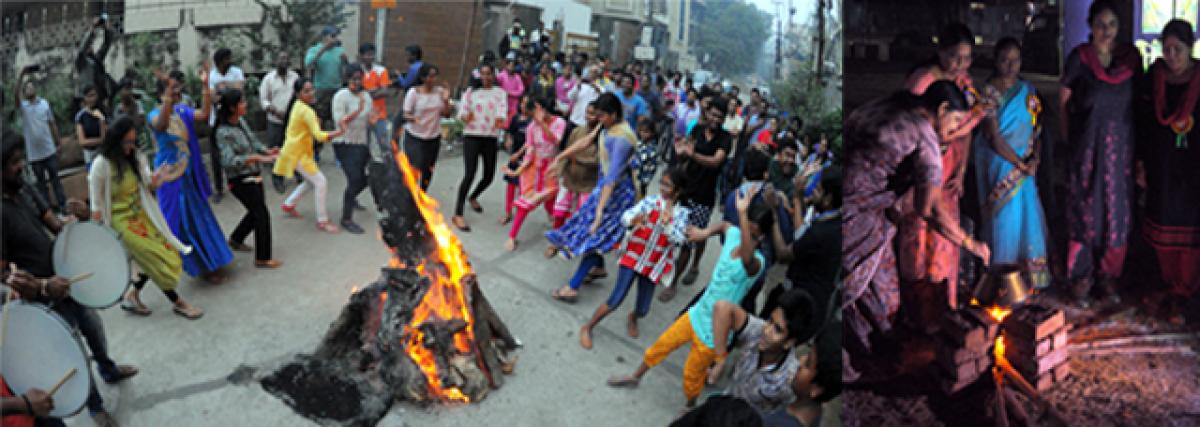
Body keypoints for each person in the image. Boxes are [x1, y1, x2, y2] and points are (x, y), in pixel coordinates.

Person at [842, 82, 990, 381]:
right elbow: (930, 209)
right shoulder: (924, 134)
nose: (953, 129)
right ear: (942, 110)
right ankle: (845, 362)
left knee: (873, 288)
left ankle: (876, 346)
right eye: (954, 121)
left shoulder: (888, 105)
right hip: (858, 213)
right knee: (847, 287)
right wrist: (972, 244)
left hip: (854, 204)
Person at [3, 134, 135, 427]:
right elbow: (4, 274)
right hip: (40, 298)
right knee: (73, 351)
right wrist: (41, 286)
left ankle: (109, 370)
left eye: (20, 158)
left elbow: (55, 224)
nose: (22, 166)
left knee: (94, 328)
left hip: (65, 278)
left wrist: (79, 220)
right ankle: (95, 407)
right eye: (13, 163)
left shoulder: (25, 190)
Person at [606, 188, 773, 408]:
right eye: (745, 227)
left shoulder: (757, 262)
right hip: (697, 312)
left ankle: (690, 406)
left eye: (751, 233)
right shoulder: (733, 234)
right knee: (660, 346)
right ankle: (635, 376)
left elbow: (746, 257)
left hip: (715, 331)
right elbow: (724, 226)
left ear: (761, 236)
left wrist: (742, 214)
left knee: (691, 378)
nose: (744, 234)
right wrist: (705, 233)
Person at [901, 23, 985, 320]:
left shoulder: (965, 84)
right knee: (919, 234)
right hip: (923, 169)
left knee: (944, 242)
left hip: (950, 173)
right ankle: (916, 310)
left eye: (966, 58)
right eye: (954, 57)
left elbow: (967, 131)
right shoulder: (922, 82)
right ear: (940, 52)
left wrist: (961, 172)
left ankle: (942, 308)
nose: (960, 65)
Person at [1059, 0, 1141, 307]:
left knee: (1116, 216)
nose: (1106, 31)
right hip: (1087, 150)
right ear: (1090, 26)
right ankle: (1081, 277)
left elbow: (1138, 105)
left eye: (1112, 25)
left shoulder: (1130, 61)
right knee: (1084, 213)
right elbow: (1064, 104)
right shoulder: (1079, 59)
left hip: (1120, 153)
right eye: (1100, 24)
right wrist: (1068, 143)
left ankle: (1109, 278)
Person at [89, 117, 204, 318]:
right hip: (118, 222)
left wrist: (160, 178)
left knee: (160, 251)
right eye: (126, 142)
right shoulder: (101, 165)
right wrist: (99, 237)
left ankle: (132, 296)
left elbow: (148, 184)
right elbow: (96, 206)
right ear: (115, 141)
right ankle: (178, 302)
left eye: (133, 141)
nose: (130, 146)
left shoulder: (136, 157)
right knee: (151, 256)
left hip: (140, 216)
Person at [579, 167, 691, 349]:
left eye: (667, 185)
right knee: (616, 298)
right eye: (662, 183)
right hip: (634, 255)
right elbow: (626, 217)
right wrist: (633, 219)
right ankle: (588, 326)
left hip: (654, 264)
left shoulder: (682, 215)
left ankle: (633, 317)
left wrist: (668, 226)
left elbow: (679, 240)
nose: (662, 188)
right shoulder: (650, 202)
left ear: (678, 191)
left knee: (644, 309)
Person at [546, 93, 639, 301]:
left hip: (616, 195)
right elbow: (588, 141)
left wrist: (599, 212)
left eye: (602, 116)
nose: (598, 120)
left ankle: (572, 287)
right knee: (595, 235)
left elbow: (612, 179)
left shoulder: (622, 139)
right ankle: (597, 268)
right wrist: (560, 156)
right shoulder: (607, 126)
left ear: (614, 114)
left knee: (594, 236)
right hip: (604, 189)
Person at [1137, 19, 1200, 324]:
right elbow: (1144, 123)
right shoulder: (1155, 77)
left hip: (1192, 169)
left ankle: (1184, 293)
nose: (1172, 55)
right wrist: (1140, 163)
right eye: (1167, 48)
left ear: (1191, 48)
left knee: (1189, 231)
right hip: (1160, 165)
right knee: (1161, 223)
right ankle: (1166, 285)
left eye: (1178, 49)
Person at [976, 37, 1050, 290]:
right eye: (1005, 60)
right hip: (1002, 164)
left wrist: (1035, 158)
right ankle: (1002, 284)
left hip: (1026, 164)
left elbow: (1036, 128)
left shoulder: (1027, 90)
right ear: (995, 61)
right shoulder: (988, 93)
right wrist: (1020, 163)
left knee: (1027, 217)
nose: (1010, 65)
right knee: (1005, 220)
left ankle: (1028, 280)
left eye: (1015, 60)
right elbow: (994, 137)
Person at [148, 68, 233, 283]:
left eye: (177, 89)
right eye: (172, 90)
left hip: (186, 174)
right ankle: (161, 269)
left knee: (196, 220)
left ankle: (207, 265)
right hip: (168, 177)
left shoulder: (182, 111)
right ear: (163, 94)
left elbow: (203, 115)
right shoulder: (155, 114)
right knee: (176, 223)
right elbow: (162, 125)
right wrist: (168, 97)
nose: (178, 93)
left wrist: (205, 86)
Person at [706, 289, 821, 414]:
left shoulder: (788, 380)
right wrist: (720, 360)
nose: (766, 331)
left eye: (777, 330)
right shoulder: (757, 331)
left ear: (789, 342)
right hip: (724, 405)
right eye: (770, 320)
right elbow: (722, 308)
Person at [664, 100, 730, 298]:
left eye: (719, 117)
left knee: (692, 237)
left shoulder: (725, 139)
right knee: (678, 231)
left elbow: (716, 161)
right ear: (706, 113)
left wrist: (692, 155)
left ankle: (676, 280)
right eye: (712, 114)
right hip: (687, 189)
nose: (715, 119)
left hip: (705, 195)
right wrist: (680, 155)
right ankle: (686, 267)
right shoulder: (697, 130)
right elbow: (685, 153)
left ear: (723, 119)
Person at [215, 90, 282, 267]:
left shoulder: (240, 122)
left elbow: (253, 142)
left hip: (253, 173)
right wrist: (257, 158)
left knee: (255, 211)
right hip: (239, 179)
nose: (245, 105)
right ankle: (263, 257)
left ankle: (236, 239)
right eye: (242, 102)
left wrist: (267, 151)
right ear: (232, 107)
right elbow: (229, 162)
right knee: (261, 213)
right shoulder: (223, 132)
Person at [274, 78, 350, 233]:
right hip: (298, 154)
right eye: (306, 91)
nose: (311, 93)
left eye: (312, 89)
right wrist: (340, 131)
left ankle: (289, 204)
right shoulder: (306, 110)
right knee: (321, 182)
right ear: (298, 94)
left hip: (297, 152)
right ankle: (322, 221)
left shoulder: (298, 106)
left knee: (311, 181)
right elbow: (319, 136)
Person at [505, 97, 565, 251]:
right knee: (525, 204)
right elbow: (530, 152)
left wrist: (543, 124)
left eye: (534, 112)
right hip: (535, 170)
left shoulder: (560, 123)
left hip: (552, 170)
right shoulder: (532, 127)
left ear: (542, 108)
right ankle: (512, 236)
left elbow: (556, 142)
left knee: (552, 204)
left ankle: (558, 233)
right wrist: (517, 171)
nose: (534, 117)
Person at [453, 63, 508, 232]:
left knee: (489, 175)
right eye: (483, 74)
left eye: (489, 74)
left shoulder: (500, 93)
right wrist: (465, 116)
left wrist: (500, 119)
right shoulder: (471, 92)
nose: (485, 77)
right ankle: (458, 213)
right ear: (478, 75)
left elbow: (502, 110)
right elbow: (461, 112)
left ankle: (473, 196)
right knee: (470, 174)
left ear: (494, 75)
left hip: (490, 137)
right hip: (472, 136)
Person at [16, 67, 66, 213]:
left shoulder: (44, 104)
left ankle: (63, 206)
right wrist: (21, 75)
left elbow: (52, 123)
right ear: (24, 92)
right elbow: (15, 95)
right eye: (27, 88)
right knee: (41, 184)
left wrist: (59, 142)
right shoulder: (23, 108)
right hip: (34, 154)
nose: (30, 89)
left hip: (49, 150)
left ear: (36, 89)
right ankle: (48, 210)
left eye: (32, 87)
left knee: (55, 180)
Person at [332, 68, 373, 234]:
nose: (357, 82)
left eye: (360, 79)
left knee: (365, 179)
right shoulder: (341, 96)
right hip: (344, 143)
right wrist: (358, 110)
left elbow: (370, 119)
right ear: (347, 79)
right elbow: (340, 121)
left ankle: (352, 196)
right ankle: (346, 218)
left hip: (361, 142)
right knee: (355, 178)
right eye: (354, 79)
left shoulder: (367, 96)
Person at [401, 64, 453, 191]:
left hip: (433, 137)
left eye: (435, 76)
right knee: (414, 168)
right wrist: (415, 119)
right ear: (423, 78)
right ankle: (409, 196)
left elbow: (446, 115)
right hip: (415, 137)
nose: (433, 79)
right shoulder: (414, 92)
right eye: (430, 76)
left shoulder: (440, 92)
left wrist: (446, 101)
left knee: (428, 169)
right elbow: (406, 114)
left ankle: (422, 195)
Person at [549, 103, 600, 233]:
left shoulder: (603, 137)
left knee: (580, 215)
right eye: (587, 112)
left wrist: (577, 159)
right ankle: (555, 241)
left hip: (588, 183)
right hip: (569, 177)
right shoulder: (577, 131)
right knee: (559, 213)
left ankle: (572, 241)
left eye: (592, 114)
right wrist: (558, 171)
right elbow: (566, 152)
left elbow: (598, 160)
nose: (588, 117)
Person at [205, 48, 246, 204]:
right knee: (216, 155)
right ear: (219, 62)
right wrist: (229, 89)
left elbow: (240, 89)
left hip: (234, 118)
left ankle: (238, 183)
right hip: (216, 119)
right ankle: (219, 188)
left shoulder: (236, 71)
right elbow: (213, 97)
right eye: (226, 59)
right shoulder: (212, 75)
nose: (229, 61)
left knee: (238, 150)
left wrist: (223, 87)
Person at [260, 51, 300, 193]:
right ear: (275, 61)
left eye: (286, 58)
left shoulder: (295, 77)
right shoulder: (268, 79)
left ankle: (298, 173)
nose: (284, 61)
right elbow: (264, 100)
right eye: (281, 58)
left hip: (292, 120)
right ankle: (278, 179)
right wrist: (275, 111)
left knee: (294, 148)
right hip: (275, 120)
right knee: (277, 150)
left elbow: (299, 96)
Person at [305, 25, 349, 132]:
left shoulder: (339, 50)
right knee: (319, 117)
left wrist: (345, 62)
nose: (335, 38)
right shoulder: (314, 49)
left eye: (336, 36)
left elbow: (345, 70)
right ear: (324, 37)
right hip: (321, 89)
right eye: (332, 36)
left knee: (336, 116)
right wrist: (323, 49)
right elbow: (309, 65)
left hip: (336, 88)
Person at [356, 43, 393, 162]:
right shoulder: (357, 72)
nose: (370, 57)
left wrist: (366, 93)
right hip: (361, 114)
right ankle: (367, 166)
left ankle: (389, 165)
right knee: (363, 143)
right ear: (361, 56)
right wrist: (375, 90)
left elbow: (385, 92)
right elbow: (355, 91)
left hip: (378, 114)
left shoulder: (381, 70)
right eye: (367, 55)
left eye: (372, 55)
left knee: (384, 142)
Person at [501, 95, 533, 225]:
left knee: (522, 187)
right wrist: (508, 140)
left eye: (526, 104)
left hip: (526, 158)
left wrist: (519, 154)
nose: (523, 106)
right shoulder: (515, 118)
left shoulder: (533, 122)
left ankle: (519, 213)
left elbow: (530, 143)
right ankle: (508, 212)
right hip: (515, 156)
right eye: (522, 103)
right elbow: (510, 132)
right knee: (510, 185)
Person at [75, 17, 116, 109]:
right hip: (87, 98)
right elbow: (82, 50)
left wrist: (106, 29)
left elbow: (106, 45)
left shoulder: (96, 59)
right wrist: (92, 29)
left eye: (91, 45)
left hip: (100, 97)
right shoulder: (81, 61)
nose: (91, 47)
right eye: (88, 45)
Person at [75, 85, 107, 167]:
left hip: (103, 152)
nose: (92, 99)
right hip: (89, 155)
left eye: (94, 95)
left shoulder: (102, 111)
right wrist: (100, 140)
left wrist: (102, 120)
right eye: (89, 96)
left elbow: (106, 135)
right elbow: (82, 141)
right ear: (85, 98)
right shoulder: (81, 116)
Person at [498, 58, 527, 126]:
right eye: (510, 65)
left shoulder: (517, 77)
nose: (511, 68)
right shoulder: (501, 75)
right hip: (503, 104)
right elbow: (498, 88)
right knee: (501, 124)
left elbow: (521, 90)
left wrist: (509, 93)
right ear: (506, 66)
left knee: (511, 124)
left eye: (513, 66)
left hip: (513, 105)